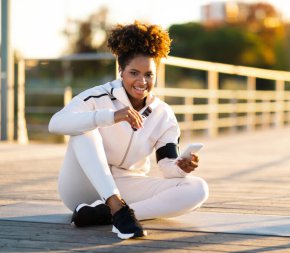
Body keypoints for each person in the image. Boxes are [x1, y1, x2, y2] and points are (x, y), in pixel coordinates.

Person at [48, 21, 209, 240]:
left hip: (126, 184)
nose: (142, 81)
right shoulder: (98, 97)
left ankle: (111, 214)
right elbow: (56, 123)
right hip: (81, 186)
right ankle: (117, 208)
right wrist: (110, 116)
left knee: (198, 189)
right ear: (121, 71)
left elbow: (167, 165)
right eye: (134, 72)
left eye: (149, 74)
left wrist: (181, 166)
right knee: (84, 129)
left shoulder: (164, 114)